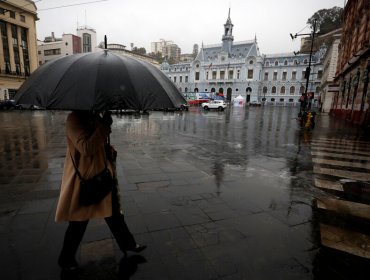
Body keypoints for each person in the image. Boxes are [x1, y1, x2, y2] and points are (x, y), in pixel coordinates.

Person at [55, 110, 146, 270]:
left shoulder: (93, 116)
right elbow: (86, 148)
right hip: (86, 179)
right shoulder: (75, 118)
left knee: (114, 214)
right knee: (78, 223)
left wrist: (107, 150)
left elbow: (96, 144)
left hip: (101, 174)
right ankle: (65, 259)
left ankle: (128, 244)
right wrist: (104, 127)